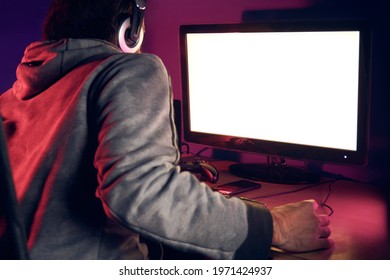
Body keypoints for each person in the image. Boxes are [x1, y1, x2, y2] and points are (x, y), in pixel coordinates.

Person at [0, 0, 333, 260]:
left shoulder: (10, 99)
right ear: (129, 30)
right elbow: (141, 192)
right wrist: (276, 226)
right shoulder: (129, 69)